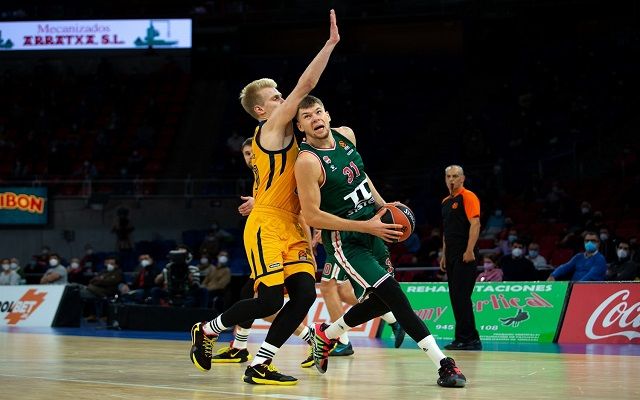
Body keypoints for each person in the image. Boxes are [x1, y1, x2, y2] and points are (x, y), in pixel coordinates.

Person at [189, 10, 340, 386]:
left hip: (291, 221)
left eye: (280, 95)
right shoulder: (270, 128)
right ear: (261, 110)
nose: (284, 99)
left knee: (304, 296)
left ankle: (260, 364)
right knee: (270, 300)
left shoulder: (287, 136)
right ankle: (207, 330)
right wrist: (330, 44)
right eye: (276, 97)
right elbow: (306, 85)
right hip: (268, 225)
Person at [294, 95, 466, 388]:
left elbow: (362, 177)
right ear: (300, 127)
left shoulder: (346, 136)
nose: (315, 119)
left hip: (373, 227)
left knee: (379, 302)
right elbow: (312, 215)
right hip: (347, 241)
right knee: (395, 296)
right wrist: (366, 226)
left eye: (318, 112)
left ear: (328, 115)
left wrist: (385, 207)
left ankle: (326, 335)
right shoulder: (307, 161)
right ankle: (444, 364)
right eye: (307, 117)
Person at [211, 137, 316, 368]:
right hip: (272, 237)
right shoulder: (261, 178)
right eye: (246, 154)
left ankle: (313, 337)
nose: (250, 158)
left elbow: (298, 210)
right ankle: (239, 347)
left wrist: (309, 249)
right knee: (250, 294)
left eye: (253, 153)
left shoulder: (279, 169)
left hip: (287, 239)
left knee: (269, 301)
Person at [440, 165, 482, 351]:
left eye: (455, 176)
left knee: (462, 296)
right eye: (449, 176)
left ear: (462, 178)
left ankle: (469, 339)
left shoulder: (468, 196)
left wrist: (469, 250)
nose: (452, 179)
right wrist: (444, 254)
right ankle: (464, 338)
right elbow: (447, 231)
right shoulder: (445, 202)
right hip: (451, 255)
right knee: (456, 297)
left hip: (465, 254)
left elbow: (475, 223)